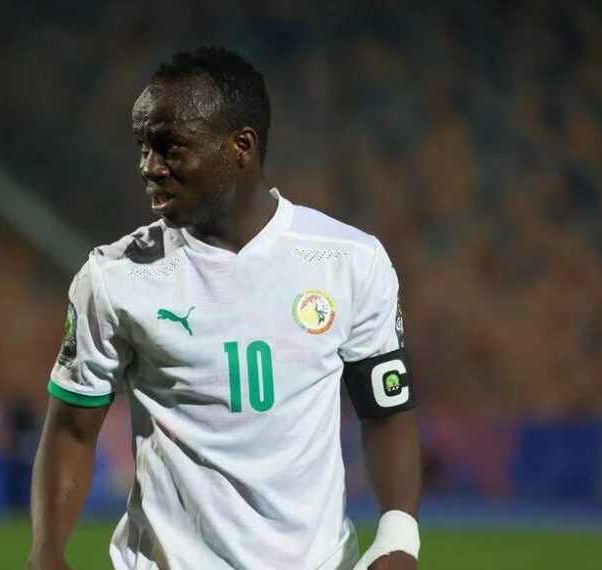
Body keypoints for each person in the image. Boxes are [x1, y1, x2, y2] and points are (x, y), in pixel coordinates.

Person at [29, 46, 421, 570]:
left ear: (241, 146)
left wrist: (398, 537)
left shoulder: (350, 261)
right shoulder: (114, 278)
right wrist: (47, 550)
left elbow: (386, 411)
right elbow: (72, 430)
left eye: (170, 148)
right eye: (143, 147)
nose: (150, 167)